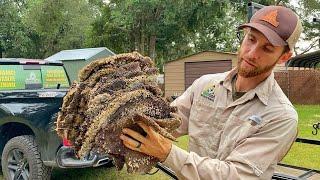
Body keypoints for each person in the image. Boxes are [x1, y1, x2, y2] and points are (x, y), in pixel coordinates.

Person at [120, 5, 303, 180]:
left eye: (267, 48)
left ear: (284, 57)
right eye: (251, 39)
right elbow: (165, 123)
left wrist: (167, 153)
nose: (251, 53)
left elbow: (235, 175)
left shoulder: (280, 116)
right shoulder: (205, 85)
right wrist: (122, 121)